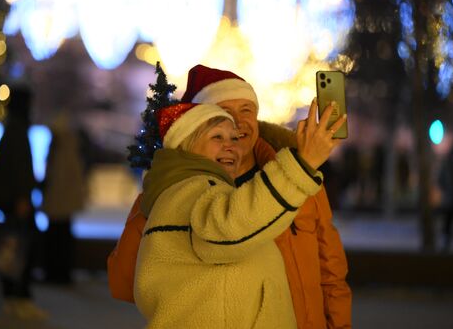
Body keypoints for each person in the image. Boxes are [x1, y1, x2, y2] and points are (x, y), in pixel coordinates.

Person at [108, 64, 352, 329]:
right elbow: (126, 281)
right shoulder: (179, 192)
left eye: (246, 110)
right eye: (224, 113)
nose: (237, 121)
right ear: (193, 136)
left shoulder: (299, 179)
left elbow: (331, 270)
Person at [0, 88, 47, 320]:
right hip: (18, 201)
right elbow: (20, 168)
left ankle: (13, 297)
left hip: (11, 200)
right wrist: (23, 197)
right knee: (21, 247)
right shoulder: (18, 131)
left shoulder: (10, 129)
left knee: (13, 245)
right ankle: (19, 296)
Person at [42, 113, 87, 284]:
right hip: (62, 202)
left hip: (59, 202)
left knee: (58, 237)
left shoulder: (61, 148)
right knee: (60, 236)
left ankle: (57, 273)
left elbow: (59, 178)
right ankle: (59, 272)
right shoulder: (68, 147)